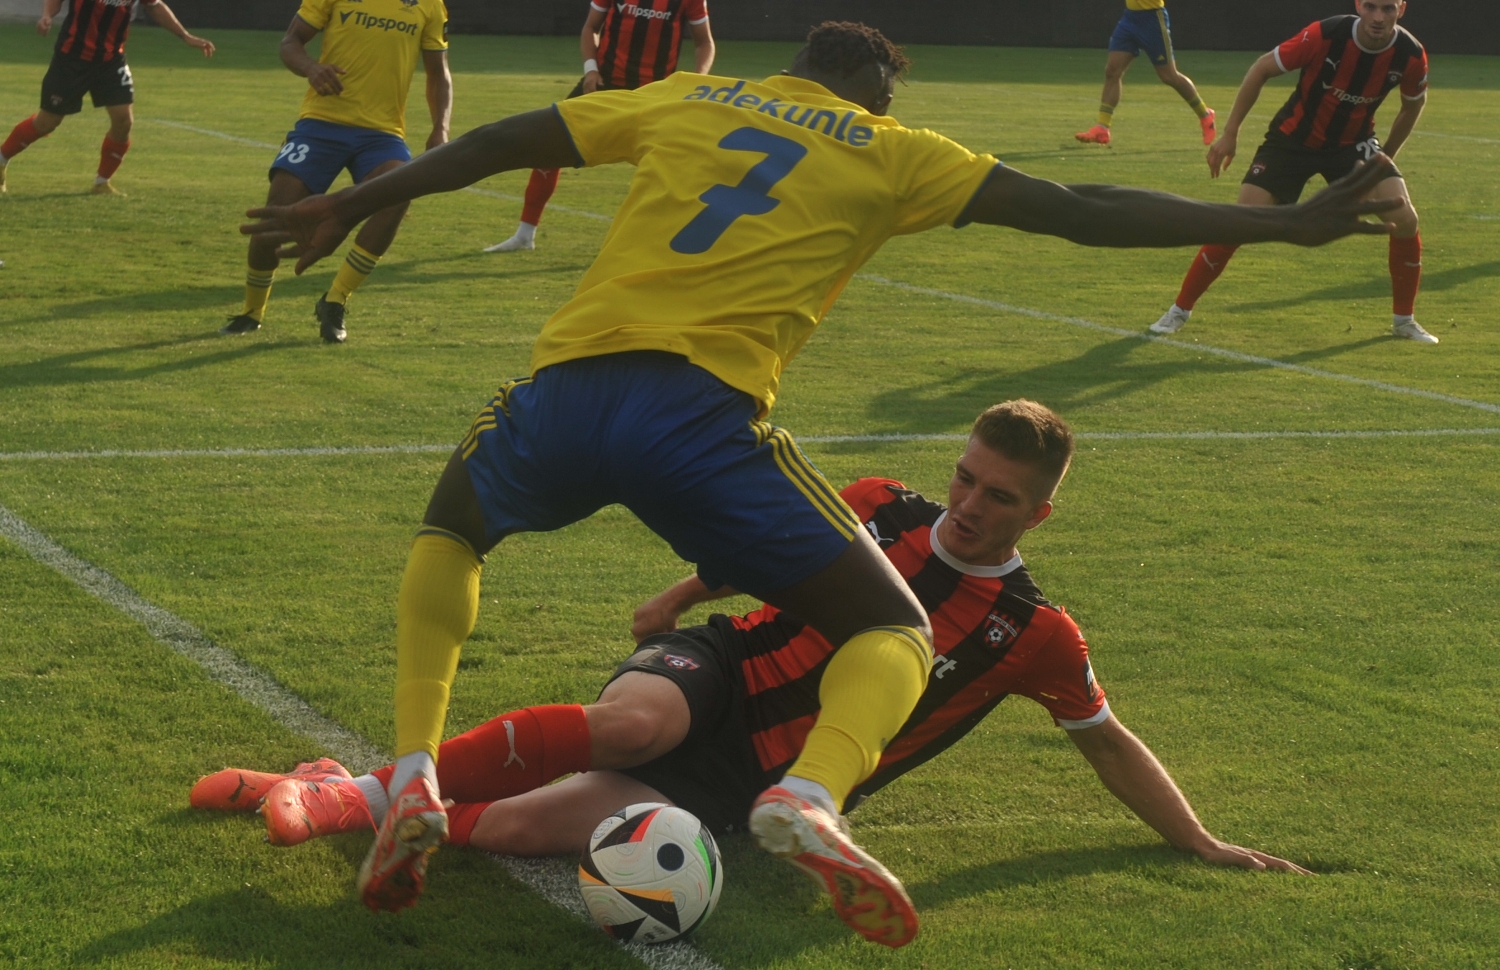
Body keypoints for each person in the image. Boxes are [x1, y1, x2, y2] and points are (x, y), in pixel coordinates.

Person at [238, 19, 1395, 942]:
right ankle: (810, 795)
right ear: (876, 94)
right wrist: (1285, 227)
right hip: (703, 419)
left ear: (795, 65)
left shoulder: (695, 96)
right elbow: (1081, 209)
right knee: (894, 630)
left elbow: (499, 140)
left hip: (569, 391)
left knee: (453, 531)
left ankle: (414, 770)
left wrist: (347, 201)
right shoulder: (893, 149)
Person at [192, 401, 1311, 949]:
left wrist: (1200, 840)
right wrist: (682, 598)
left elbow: (1108, 741)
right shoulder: (880, 506)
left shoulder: (1037, 632)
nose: (970, 504)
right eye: (968, 477)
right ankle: (350, 795)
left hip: (757, 782)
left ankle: (352, 787)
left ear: (1040, 513)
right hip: (719, 672)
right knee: (633, 721)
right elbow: (753, 547)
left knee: (530, 828)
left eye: (1000, 497)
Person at [1150, 0, 1435, 343]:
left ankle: (1404, 321)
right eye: (1371, 6)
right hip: (1292, 141)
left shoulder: (1410, 54)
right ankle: (1179, 310)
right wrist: (1230, 133)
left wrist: (1384, 159)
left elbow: (1413, 105)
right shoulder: (1325, 35)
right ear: (1359, 5)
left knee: (1404, 217)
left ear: (1401, 9)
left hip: (1352, 145)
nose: (1378, 17)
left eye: (1387, 8)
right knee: (1237, 222)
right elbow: (1261, 69)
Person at [220, 0, 452, 343]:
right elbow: (290, 42)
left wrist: (440, 128)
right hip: (320, 125)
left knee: (398, 195)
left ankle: (335, 299)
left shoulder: (430, 5)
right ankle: (252, 311)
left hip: (382, 134)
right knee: (277, 212)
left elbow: (438, 73)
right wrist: (311, 68)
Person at [483, 0, 715, 253]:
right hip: (603, 84)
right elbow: (591, 27)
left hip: (654, 94)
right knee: (546, 148)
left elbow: (704, 42)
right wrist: (591, 70)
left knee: (677, 168)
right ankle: (524, 236)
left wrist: (695, 83)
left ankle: (679, 246)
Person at [0, 0, 214, 196]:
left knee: (123, 120)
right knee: (47, 122)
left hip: (111, 60)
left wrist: (185, 36)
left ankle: (102, 183)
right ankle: (1, 158)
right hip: (72, 58)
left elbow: (154, 5)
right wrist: (47, 15)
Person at [1075, 0, 1214, 147]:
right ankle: (1102, 127)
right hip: (1130, 18)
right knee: (1112, 71)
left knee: (1169, 76)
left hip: (1152, 18)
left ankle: (1205, 115)